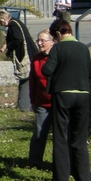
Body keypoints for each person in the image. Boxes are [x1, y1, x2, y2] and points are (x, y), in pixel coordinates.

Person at [41, 19, 91, 181]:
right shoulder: (83, 48)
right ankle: (84, 179)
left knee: (61, 136)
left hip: (63, 94)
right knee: (79, 137)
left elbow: (46, 70)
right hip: (83, 95)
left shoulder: (58, 48)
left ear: (57, 34)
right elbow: (90, 73)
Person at [0, 9, 37, 112]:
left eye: (0, 22)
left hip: (25, 56)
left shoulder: (13, 25)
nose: (1, 25)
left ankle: (24, 106)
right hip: (31, 53)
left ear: (4, 18)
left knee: (24, 79)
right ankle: (28, 104)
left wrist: (7, 46)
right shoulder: (17, 22)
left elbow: (18, 39)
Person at [28, 30, 53, 168]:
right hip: (41, 102)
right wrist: (32, 100)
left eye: (43, 41)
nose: (39, 43)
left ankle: (61, 161)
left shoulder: (56, 57)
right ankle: (34, 161)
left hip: (56, 101)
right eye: (38, 40)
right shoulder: (36, 58)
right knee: (39, 132)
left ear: (52, 42)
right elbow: (32, 81)